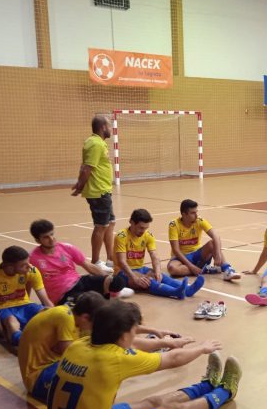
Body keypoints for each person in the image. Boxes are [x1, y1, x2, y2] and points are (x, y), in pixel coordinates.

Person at [46, 300, 242, 409]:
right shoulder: (114, 359)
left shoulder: (79, 345)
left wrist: (165, 342)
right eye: (133, 331)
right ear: (123, 336)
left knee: (152, 402)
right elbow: (173, 359)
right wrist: (202, 348)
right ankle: (225, 391)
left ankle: (207, 385)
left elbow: (135, 344)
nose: (135, 335)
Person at [18, 291, 106, 402]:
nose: (92, 329)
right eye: (93, 325)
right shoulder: (65, 317)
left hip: (50, 367)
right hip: (36, 378)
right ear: (85, 317)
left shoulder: (75, 318)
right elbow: (71, 356)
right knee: (87, 374)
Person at [112, 208, 205, 299]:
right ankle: (175, 292)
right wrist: (134, 277)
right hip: (122, 272)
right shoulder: (122, 236)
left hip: (140, 268)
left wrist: (157, 271)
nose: (143, 231)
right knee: (147, 280)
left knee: (160, 276)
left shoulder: (147, 235)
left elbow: (154, 256)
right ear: (131, 222)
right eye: (141, 228)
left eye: (145, 228)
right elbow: (122, 262)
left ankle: (188, 290)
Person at [0, 245, 53, 346]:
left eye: (28, 262)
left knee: (47, 312)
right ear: (10, 267)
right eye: (23, 265)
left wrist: (57, 316)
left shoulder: (31, 270)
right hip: (3, 308)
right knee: (11, 321)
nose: (29, 267)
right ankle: (21, 340)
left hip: (25, 304)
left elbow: (45, 300)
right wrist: (3, 334)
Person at [29, 219, 112, 305]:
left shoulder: (66, 247)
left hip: (78, 282)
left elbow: (87, 265)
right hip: (63, 295)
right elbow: (28, 282)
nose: (51, 239)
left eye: (52, 234)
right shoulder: (33, 259)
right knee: (88, 303)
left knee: (112, 282)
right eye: (46, 237)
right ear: (38, 240)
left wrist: (106, 277)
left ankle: (107, 305)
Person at [71, 115, 115, 273]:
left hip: (104, 190)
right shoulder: (95, 143)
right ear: (103, 127)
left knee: (110, 223)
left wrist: (79, 183)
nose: (111, 129)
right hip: (98, 192)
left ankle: (111, 259)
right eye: (109, 126)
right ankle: (96, 261)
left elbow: (84, 166)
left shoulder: (98, 142)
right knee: (101, 226)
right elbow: (87, 168)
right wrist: (80, 185)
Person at [167, 199, 240, 281]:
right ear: (184, 214)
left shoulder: (199, 220)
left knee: (212, 243)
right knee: (172, 268)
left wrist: (218, 254)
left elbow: (216, 236)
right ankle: (204, 269)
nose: (196, 215)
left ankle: (227, 269)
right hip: (181, 257)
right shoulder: (174, 225)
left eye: (196, 212)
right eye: (193, 213)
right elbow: (176, 250)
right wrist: (191, 267)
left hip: (197, 254)